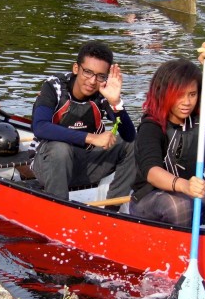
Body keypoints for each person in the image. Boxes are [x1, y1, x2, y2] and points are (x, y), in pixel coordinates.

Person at [129, 43, 205, 235]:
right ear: (163, 93)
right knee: (178, 206)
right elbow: (152, 172)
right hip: (150, 202)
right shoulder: (151, 126)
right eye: (178, 95)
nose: (186, 102)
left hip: (191, 195)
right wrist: (184, 185)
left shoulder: (196, 115)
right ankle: (177, 259)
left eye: (192, 94)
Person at [30, 41, 136, 203]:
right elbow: (40, 127)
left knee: (133, 143)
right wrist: (92, 138)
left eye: (100, 76)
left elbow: (129, 135)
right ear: (76, 69)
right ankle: (59, 208)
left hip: (84, 165)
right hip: (48, 165)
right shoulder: (53, 87)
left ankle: (113, 208)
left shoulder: (102, 92)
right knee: (61, 148)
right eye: (87, 72)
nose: (93, 81)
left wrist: (116, 102)